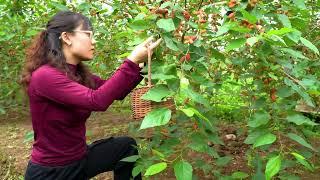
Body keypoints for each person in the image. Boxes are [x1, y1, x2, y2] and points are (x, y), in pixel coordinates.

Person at [20, 11, 162, 180]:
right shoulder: (45, 76)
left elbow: (117, 91)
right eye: (88, 34)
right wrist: (130, 60)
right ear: (66, 37)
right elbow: (97, 100)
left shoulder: (78, 75)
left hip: (80, 158)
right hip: (52, 171)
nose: (94, 41)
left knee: (126, 147)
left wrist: (141, 63)